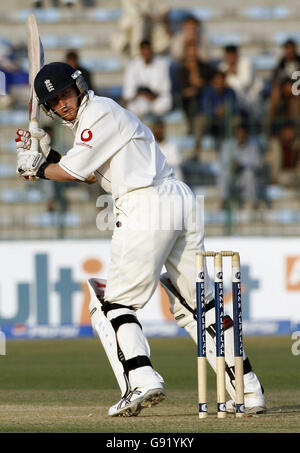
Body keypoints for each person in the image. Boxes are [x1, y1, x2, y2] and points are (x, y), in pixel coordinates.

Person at [15, 62, 265, 416]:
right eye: (54, 102)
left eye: (66, 95)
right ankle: (249, 391)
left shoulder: (98, 111)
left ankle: (142, 378)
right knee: (197, 305)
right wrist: (45, 157)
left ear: (79, 87)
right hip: (178, 200)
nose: (62, 105)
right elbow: (89, 173)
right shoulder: (100, 116)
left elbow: (74, 171)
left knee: (112, 303)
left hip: (146, 203)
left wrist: (36, 167)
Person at [122, 39, 172, 118]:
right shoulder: (132, 65)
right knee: (135, 107)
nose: (146, 52)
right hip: (140, 100)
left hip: (157, 99)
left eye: (148, 49)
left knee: (165, 103)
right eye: (144, 49)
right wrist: (143, 95)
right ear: (140, 51)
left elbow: (165, 89)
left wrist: (153, 96)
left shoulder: (161, 64)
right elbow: (128, 92)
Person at [178, 42, 216, 134]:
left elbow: (214, 80)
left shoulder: (204, 67)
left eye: (194, 52)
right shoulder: (182, 71)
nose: (192, 56)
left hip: (205, 101)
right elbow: (182, 91)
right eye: (190, 53)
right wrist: (194, 89)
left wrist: (200, 83)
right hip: (190, 103)